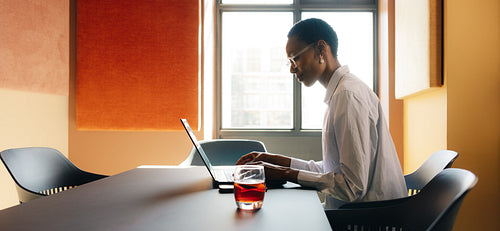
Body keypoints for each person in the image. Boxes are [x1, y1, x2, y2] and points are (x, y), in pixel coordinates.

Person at [236, 18, 407, 209]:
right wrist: (275, 161)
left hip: (368, 220)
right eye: (290, 62)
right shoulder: (340, 93)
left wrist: (285, 173)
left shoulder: (347, 95)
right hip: (356, 214)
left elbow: (352, 187)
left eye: (295, 58)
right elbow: (331, 170)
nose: (292, 69)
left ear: (320, 49)